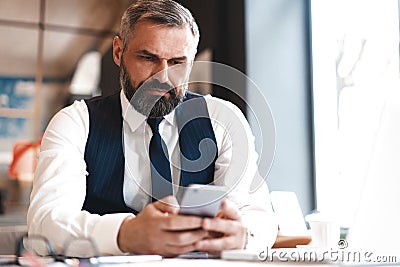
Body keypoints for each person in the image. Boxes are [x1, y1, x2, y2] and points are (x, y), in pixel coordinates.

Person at [28, 0, 277, 257]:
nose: (163, 77)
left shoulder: (222, 121)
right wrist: (125, 234)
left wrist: (243, 233)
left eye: (178, 62)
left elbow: (259, 217)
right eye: (147, 58)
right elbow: (45, 224)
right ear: (118, 52)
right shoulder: (76, 122)